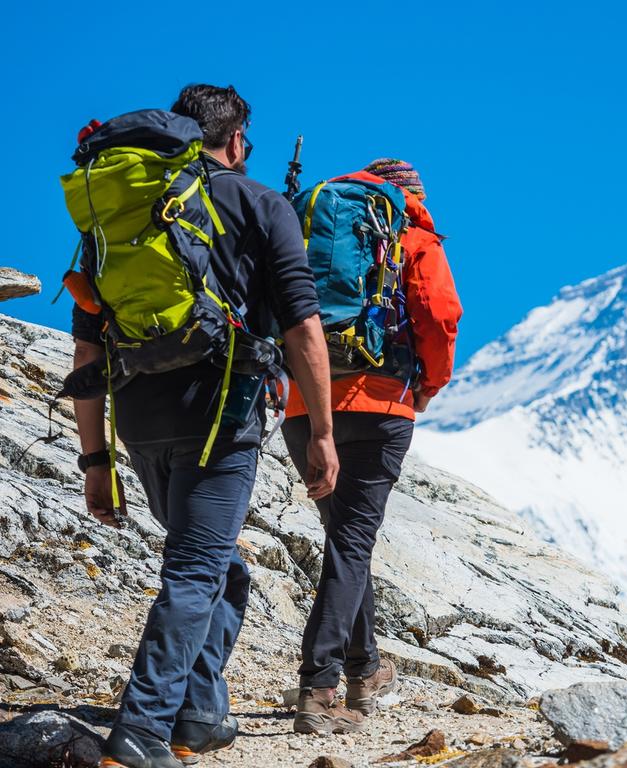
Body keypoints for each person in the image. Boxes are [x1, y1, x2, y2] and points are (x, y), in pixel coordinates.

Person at [70, 84, 338, 768]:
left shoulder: (124, 211)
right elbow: (304, 325)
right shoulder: (260, 203)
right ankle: (142, 732)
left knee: (224, 570)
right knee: (195, 571)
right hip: (218, 413)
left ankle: (198, 715)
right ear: (238, 140)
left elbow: (88, 346)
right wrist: (324, 435)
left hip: (138, 414)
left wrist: (96, 461)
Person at [285, 158, 462, 734]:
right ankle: (319, 685)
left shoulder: (308, 227)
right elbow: (438, 313)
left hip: (304, 408)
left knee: (343, 539)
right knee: (353, 542)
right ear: (409, 194)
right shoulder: (408, 233)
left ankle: (364, 668)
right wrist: (429, 386)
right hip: (381, 404)